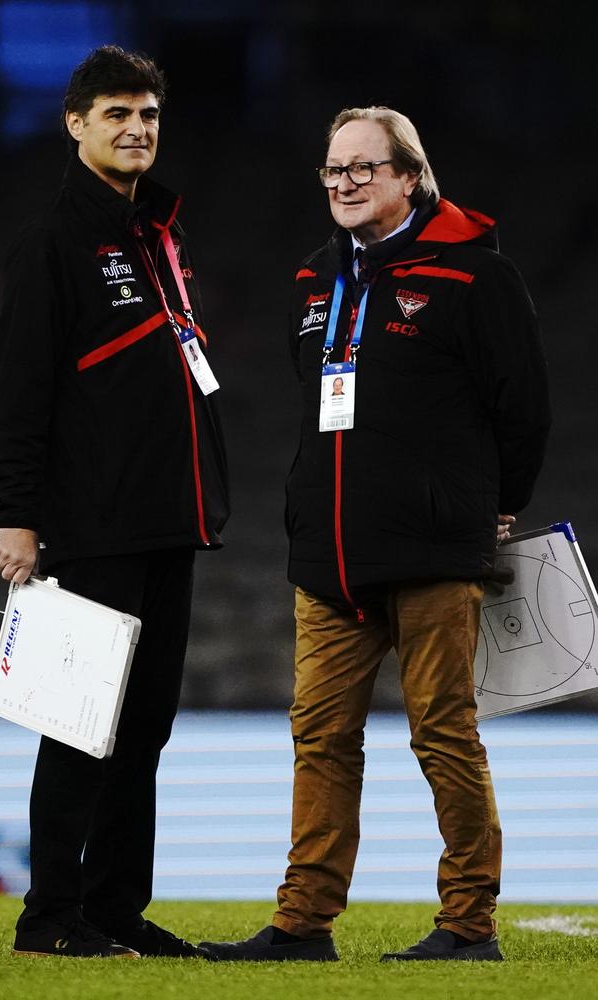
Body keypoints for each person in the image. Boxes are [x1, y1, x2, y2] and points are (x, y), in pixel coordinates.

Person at [199, 105, 550, 963]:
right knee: (319, 738)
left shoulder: (478, 278)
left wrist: (496, 504)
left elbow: (525, 409)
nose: (346, 183)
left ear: (410, 177)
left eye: (364, 168)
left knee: (442, 733)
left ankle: (469, 925)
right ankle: (301, 924)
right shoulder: (312, 283)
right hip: (327, 555)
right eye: (333, 170)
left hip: (432, 550)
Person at [0, 45, 229, 959]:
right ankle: (49, 918)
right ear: (75, 123)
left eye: (150, 116)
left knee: (144, 732)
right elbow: (19, 394)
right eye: (118, 113)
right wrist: (17, 512)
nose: (137, 129)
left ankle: (115, 908)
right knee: (79, 723)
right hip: (90, 524)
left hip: (171, 520)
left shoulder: (158, 238)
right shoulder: (52, 244)